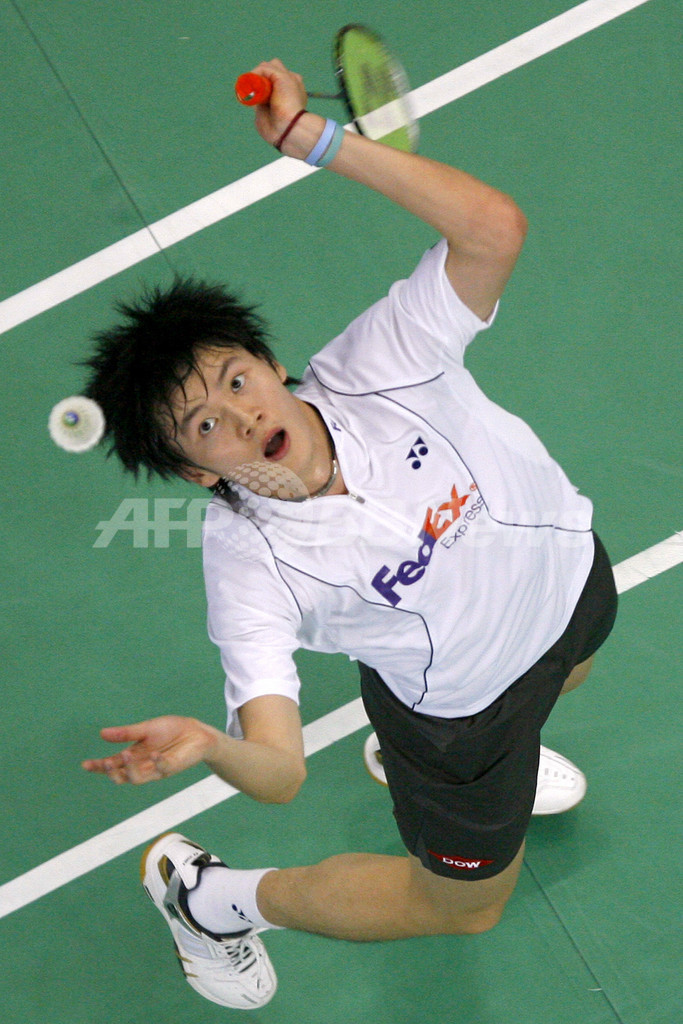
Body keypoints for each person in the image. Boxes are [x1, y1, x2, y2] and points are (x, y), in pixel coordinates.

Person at [82, 59, 618, 1010]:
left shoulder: (381, 360)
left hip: (570, 576)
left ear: (270, 363)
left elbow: (492, 230)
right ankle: (211, 902)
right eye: (205, 425)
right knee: (459, 908)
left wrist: (316, 142)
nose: (241, 416)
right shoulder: (250, 566)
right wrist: (211, 742)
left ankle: (424, 763)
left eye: (238, 381)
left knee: (572, 669)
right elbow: (280, 770)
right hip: (466, 723)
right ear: (195, 472)